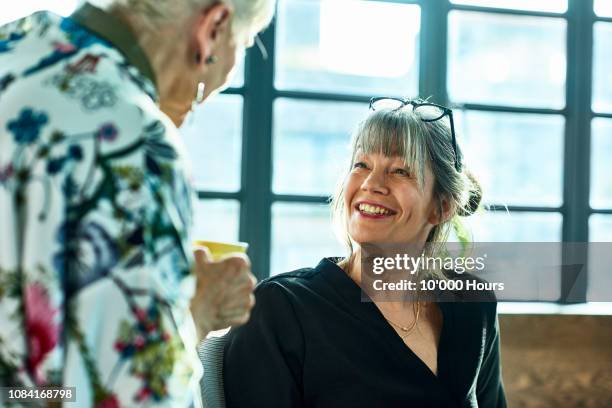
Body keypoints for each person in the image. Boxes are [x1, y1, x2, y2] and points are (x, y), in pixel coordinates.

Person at [0, 0, 275, 405]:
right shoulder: (135, 143)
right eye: (245, 44)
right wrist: (194, 316)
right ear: (213, 27)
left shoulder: (13, 45)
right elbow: (129, 396)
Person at [223, 98, 507, 407]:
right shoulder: (279, 310)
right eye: (361, 165)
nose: (372, 184)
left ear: (441, 207)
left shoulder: (471, 303)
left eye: (400, 170)